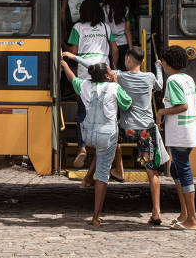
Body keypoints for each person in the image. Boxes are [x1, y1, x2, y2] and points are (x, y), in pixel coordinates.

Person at [65, 46, 165, 225]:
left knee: (105, 146)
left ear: (127, 59)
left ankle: (96, 175)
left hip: (124, 129)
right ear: (142, 62)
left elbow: (95, 67)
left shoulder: (118, 76)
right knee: (152, 171)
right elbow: (160, 84)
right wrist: (157, 66)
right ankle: (156, 211)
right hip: (145, 130)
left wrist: (74, 58)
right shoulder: (149, 78)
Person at [60, 59, 132, 226]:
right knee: (102, 176)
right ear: (107, 76)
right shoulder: (114, 87)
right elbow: (127, 104)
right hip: (106, 135)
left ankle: (86, 177)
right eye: (110, 72)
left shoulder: (84, 85)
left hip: (88, 135)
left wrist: (64, 64)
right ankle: (95, 217)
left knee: (100, 153)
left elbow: (72, 78)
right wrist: (115, 83)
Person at [65, 0, 118, 168]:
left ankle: (82, 148)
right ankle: (101, 148)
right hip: (103, 71)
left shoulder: (77, 28)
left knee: (83, 111)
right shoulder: (105, 27)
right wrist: (112, 68)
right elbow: (115, 50)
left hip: (85, 73)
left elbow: (73, 52)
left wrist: (61, 44)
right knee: (105, 110)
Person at [157, 45, 196, 230]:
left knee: (183, 171)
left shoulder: (173, 80)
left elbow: (182, 105)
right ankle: (184, 213)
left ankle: (192, 219)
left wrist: (162, 111)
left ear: (166, 63)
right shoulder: (188, 79)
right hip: (190, 130)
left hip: (180, 133)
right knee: (176, 170)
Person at [103, 0, 134, 69]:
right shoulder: (126, 9)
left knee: (112, 69)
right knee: (124, 70)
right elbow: (127, 30)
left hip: (109, 44)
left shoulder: (104, 8)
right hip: (124, 43)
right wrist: (131, 48)